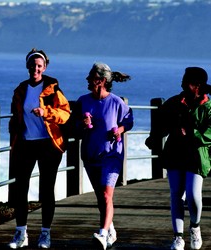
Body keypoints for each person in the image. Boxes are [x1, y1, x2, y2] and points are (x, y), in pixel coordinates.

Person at [8, 48, 71, 249]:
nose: (35, 68)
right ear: (27, 66)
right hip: (25, 144)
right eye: (32, 65)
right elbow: (15, 116)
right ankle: (21, 233)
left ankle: (45, 234)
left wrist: (46, 112)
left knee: (46, 190)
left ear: (44, 68)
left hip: (48, 145)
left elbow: (66, 114)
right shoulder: (20, 90)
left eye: (39, 65)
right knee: (20, 189)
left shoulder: (53, 88)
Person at [145, 67, 211, 250]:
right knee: (176, 194)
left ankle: (195, 227)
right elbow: (161, 122)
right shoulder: (174, 103)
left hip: (197, 156)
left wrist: (191, 133)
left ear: (197, 86)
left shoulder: (209, 107)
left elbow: (210, 133)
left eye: (186, 81)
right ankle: (178, 237)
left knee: (193, 195)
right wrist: (154, 137)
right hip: (175, 153)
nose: (181, 83)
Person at [72, 62, 134, 250]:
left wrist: (120, 130)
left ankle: (103, 233)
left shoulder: (116, 102)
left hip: (111, 155)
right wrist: (83, 124)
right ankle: (111, 230)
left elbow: (129, 121)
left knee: (107, 195)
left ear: (100, 81)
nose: (87, 80)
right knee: (101, 198)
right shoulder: (83, 101)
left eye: (90, 77)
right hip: (90, 155)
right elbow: (73, 127)